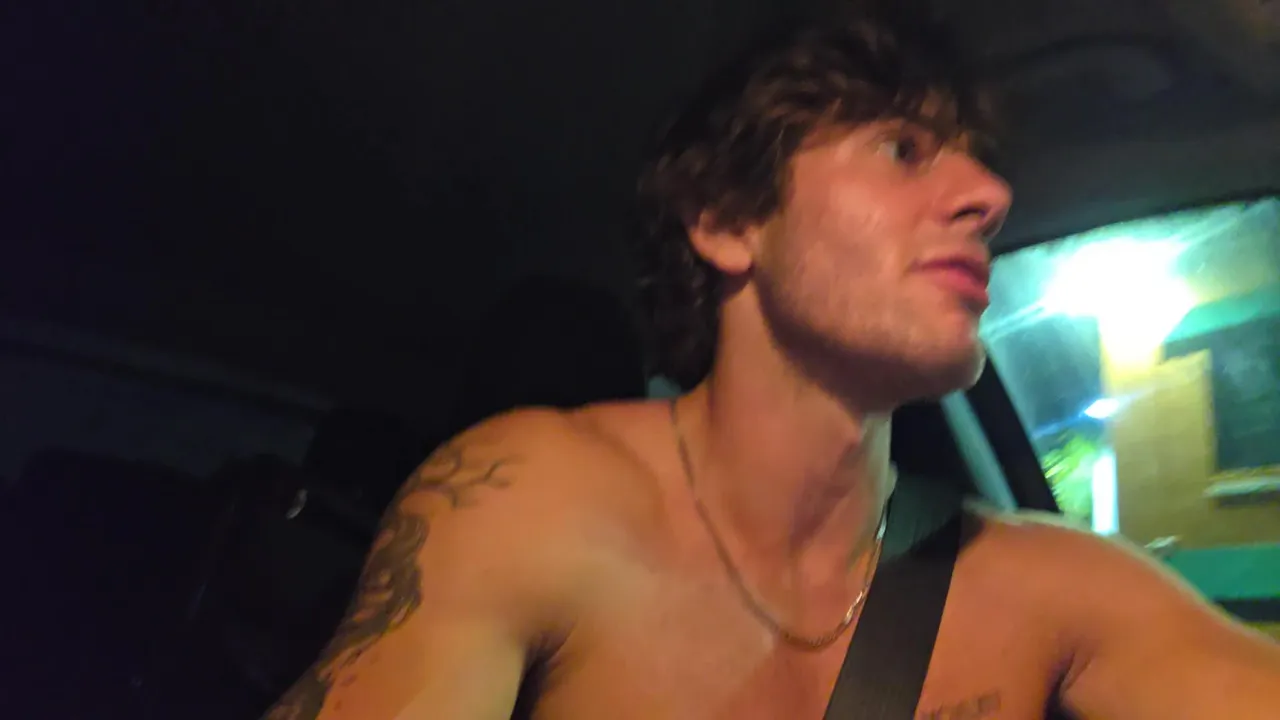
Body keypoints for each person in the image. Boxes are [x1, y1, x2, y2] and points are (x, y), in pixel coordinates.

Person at [264, 7, 1280, 720]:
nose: (989, 195)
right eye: (901, 149)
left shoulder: (1041, 583)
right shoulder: (534, 498)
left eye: (978, 160)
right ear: (725, 220)